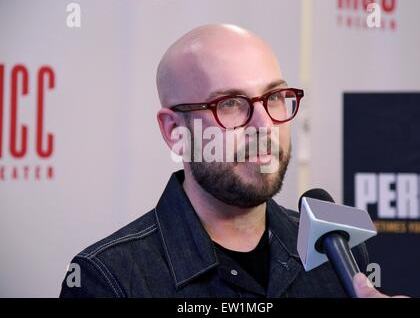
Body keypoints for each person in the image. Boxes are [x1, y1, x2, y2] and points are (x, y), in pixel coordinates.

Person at [60, 23, 388, 298]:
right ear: (174, 130)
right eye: (230, 104)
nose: (265, 125)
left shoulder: (338, 253)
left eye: (274, 97)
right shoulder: (109, 280)